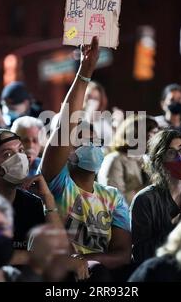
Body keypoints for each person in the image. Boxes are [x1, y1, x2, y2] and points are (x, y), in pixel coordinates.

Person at [40, 37, 132, 279]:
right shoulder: (57, 184)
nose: (92, 145)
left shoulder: (113, 197)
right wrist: (85, 71)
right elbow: (64, 127)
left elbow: (122, 253)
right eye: (82, 139)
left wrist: (86, 261)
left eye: (95, 140)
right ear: (68, 151)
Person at [0, 129, 65, 268]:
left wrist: (47, 198)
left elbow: (59, 250)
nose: (19, 158)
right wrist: (32, 256)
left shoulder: (32, 203)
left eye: (20, 150)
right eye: (8, 154)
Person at [130, 129, 181, 264]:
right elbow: (140, 254)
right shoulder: (145, 200)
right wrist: (175, 227)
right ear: (159, 161)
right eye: (171, 152)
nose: (180, 157)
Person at [98, 114, 159, 205]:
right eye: (153, 133)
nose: (157, 138)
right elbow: (114, 201)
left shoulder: (145, 160)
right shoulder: (114, 160)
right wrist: (150, 188)